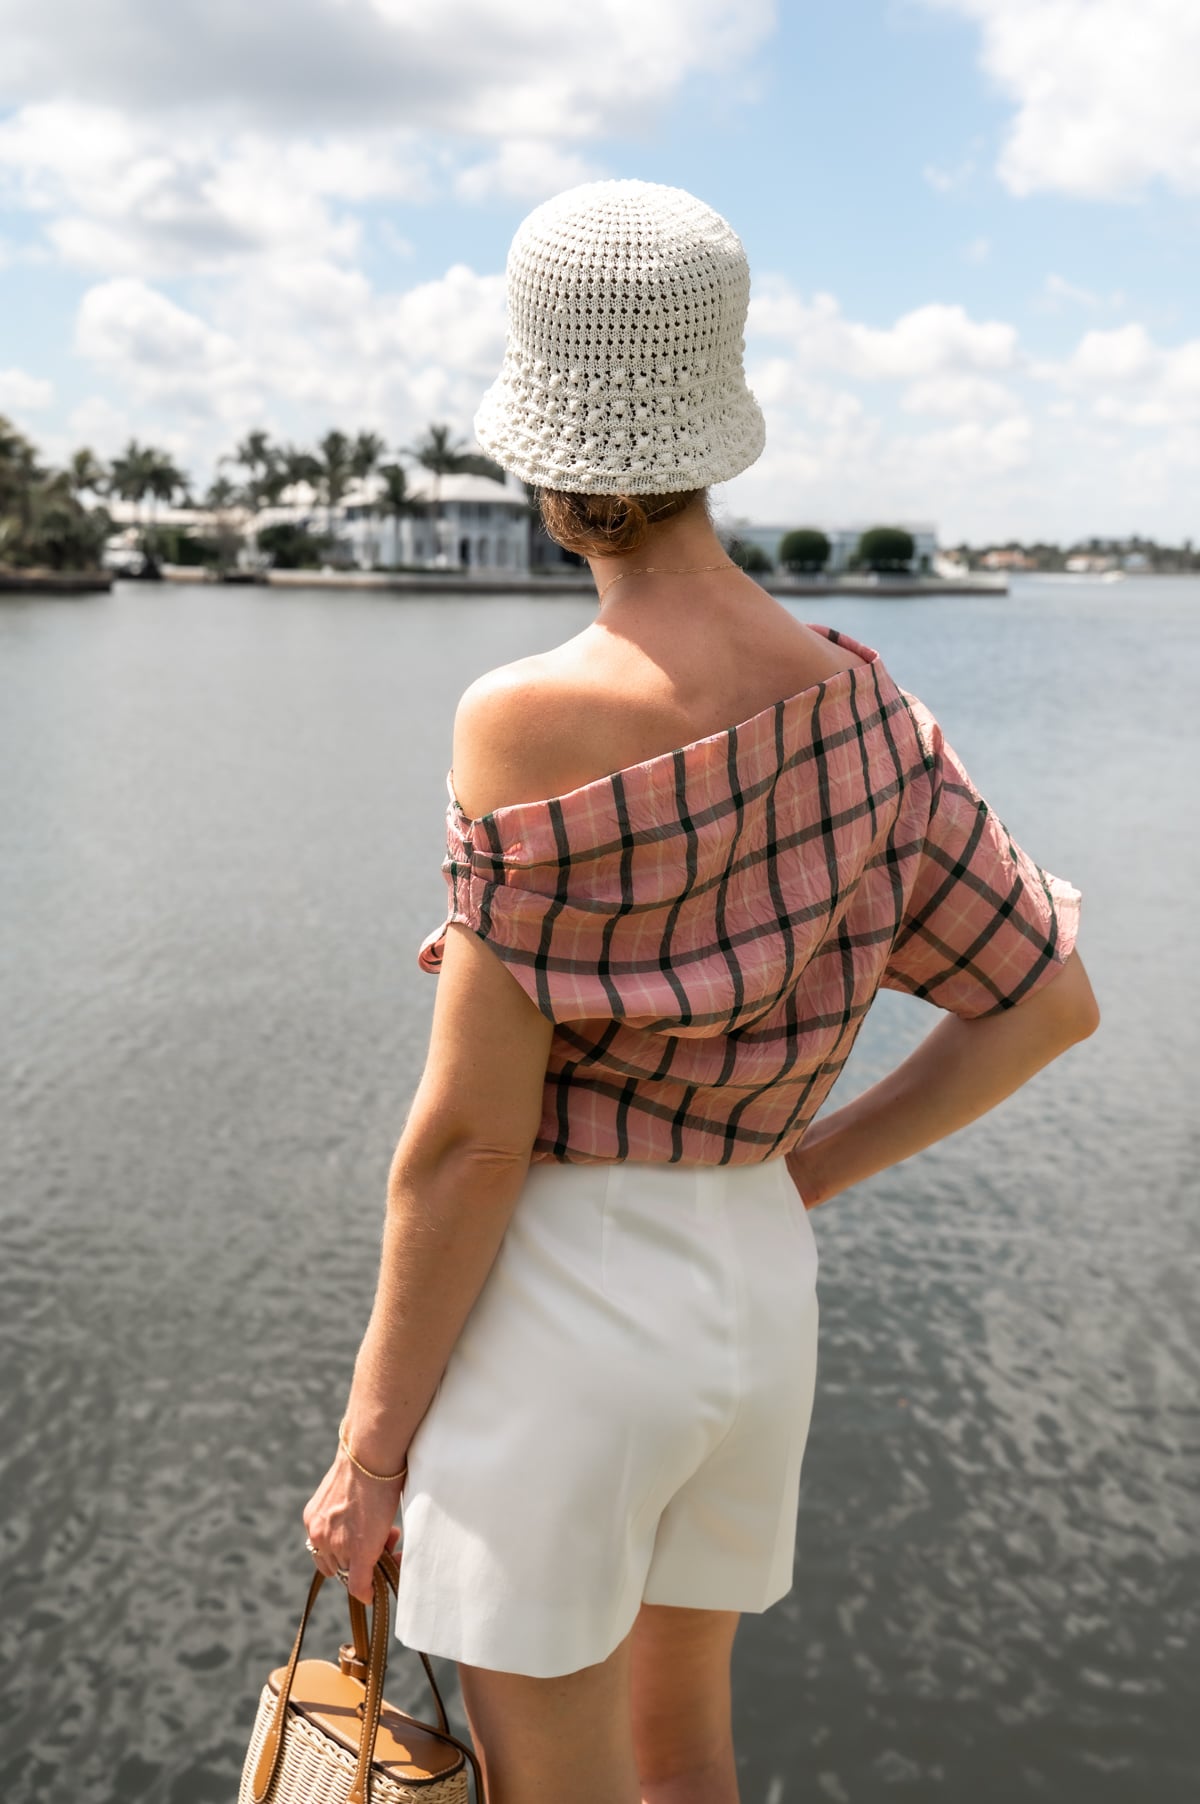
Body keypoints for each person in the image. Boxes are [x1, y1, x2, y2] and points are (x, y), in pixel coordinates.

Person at [302, 180, 1099, 1803]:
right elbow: (1049, 1000)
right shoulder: (866, 709)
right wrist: (794, 1175)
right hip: (754, 1292)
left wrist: (367, 1457)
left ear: (545, 451)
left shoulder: (525, 718)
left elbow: (469, 1144)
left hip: (572, 1308)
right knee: (688, 1770)